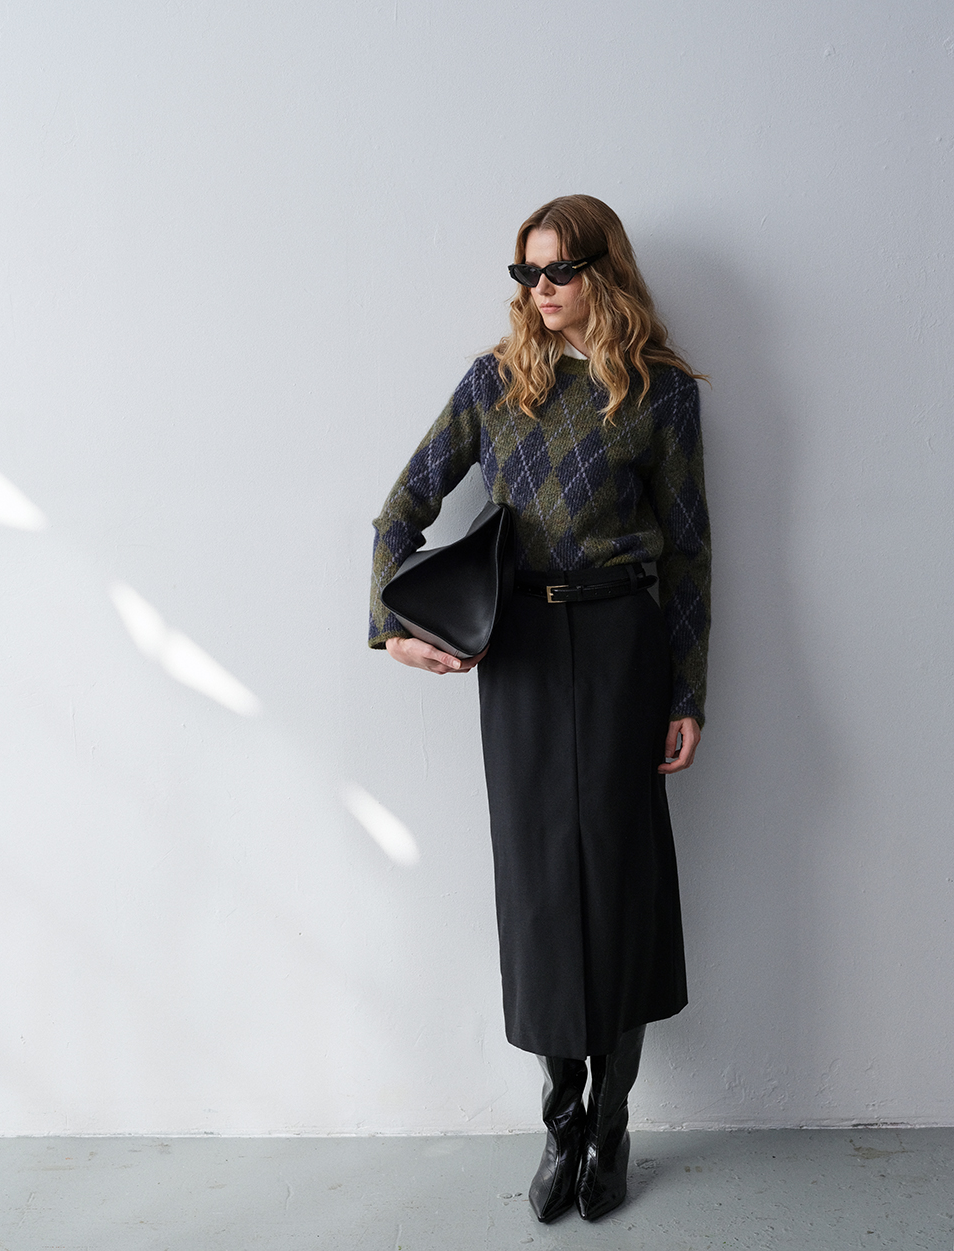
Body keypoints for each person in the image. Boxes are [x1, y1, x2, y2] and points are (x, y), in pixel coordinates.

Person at [368, 194, 710, 1223]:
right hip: (516, 652)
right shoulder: (495, 381)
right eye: (527, 272)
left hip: (620, 647)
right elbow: (401, 509)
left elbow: (689, 553)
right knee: (539, 886)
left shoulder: (660, 391)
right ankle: (560, 1121)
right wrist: (391, 625)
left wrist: (687, 690)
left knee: (619, 881)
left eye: (558, 270)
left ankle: (612, 1123)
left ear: (603, 271)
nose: (540, 289)